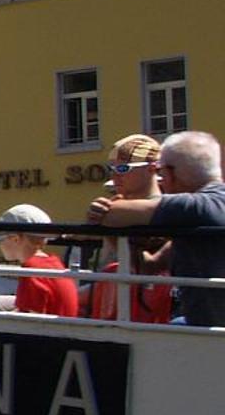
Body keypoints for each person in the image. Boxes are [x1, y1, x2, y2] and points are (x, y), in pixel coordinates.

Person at [91, 129, 225, 326]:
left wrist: (103, 211)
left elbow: (111, 214)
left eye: (161, 172)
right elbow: (150, 265)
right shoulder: (208, 208)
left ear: (170, 173)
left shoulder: (195, 207)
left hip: (210, 332)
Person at [84, 134, 173, 323]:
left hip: (147, 310)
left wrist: (109, 225)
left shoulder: (170, 209)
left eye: (123, 169)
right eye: (112, 169)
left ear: (152, 169)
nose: (115, 175)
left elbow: (146, 267)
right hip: (111, 301)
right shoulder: (113, 205)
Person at [0, 204, 79, 316]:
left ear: (15, 239)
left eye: (0, 238)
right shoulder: (53, 263)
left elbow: (31, 322)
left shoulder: (32, 271)